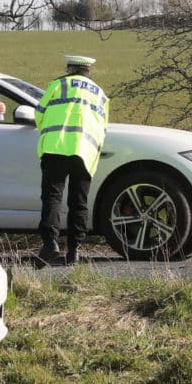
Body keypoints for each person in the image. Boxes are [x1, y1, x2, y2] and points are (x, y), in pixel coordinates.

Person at [34, 55, 109, 268]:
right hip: (85, 151)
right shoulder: (101, 94)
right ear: (88, 71)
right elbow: (103, 126)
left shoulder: (58, 85)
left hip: (55, 147)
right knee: (79, 202)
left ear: (69, 68)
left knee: (52, 197)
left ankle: (50, 244)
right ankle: (74, 250)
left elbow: (39, 114)